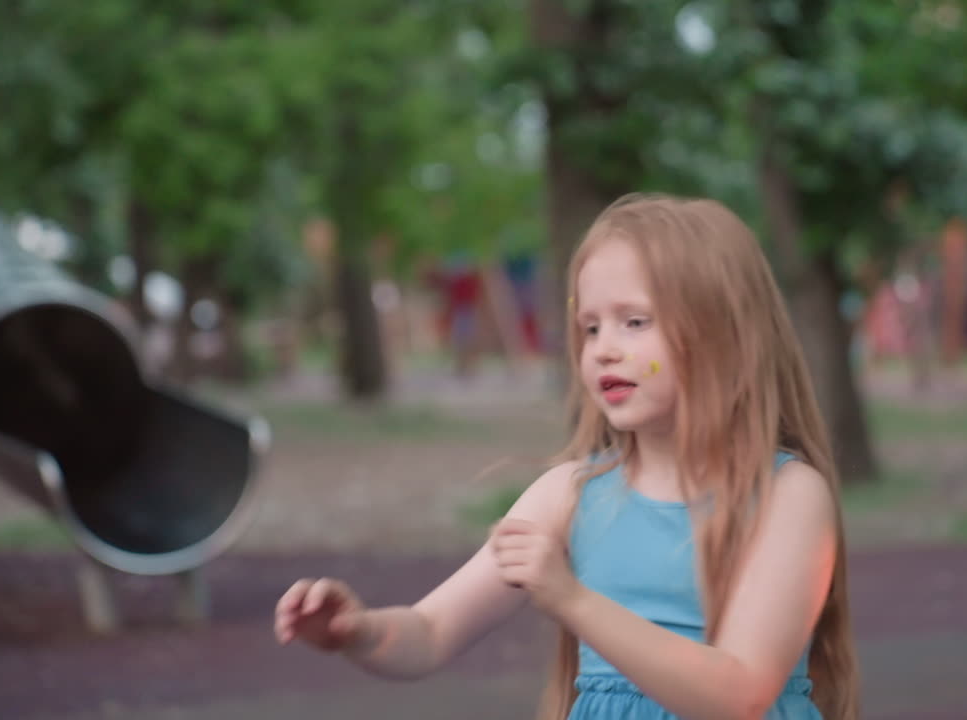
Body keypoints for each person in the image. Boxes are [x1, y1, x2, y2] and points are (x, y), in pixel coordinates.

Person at [274, 194, 860, 720]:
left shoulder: (788, 495)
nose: (604, 349)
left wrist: (574, 600)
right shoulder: (569, 497)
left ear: (723, 335)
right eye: (589, 328)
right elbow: (428, 633)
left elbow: (740, 695)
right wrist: (358, 631)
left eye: (634, 322)